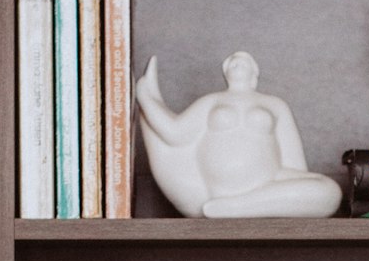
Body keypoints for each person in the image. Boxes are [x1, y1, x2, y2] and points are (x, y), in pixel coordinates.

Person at [136, 50, 341, 218]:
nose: (238, 61)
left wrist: (305, 185)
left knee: (330, 192)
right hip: (216, 189)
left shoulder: (275, 105)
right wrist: (146, 97)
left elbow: (295, 165)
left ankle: (232, 208)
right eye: (233, 61)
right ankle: (224, 206)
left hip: (268, 186)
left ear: (255, 72)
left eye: (244, 61)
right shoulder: (211, 101)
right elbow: (174, 134)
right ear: (225, 73)